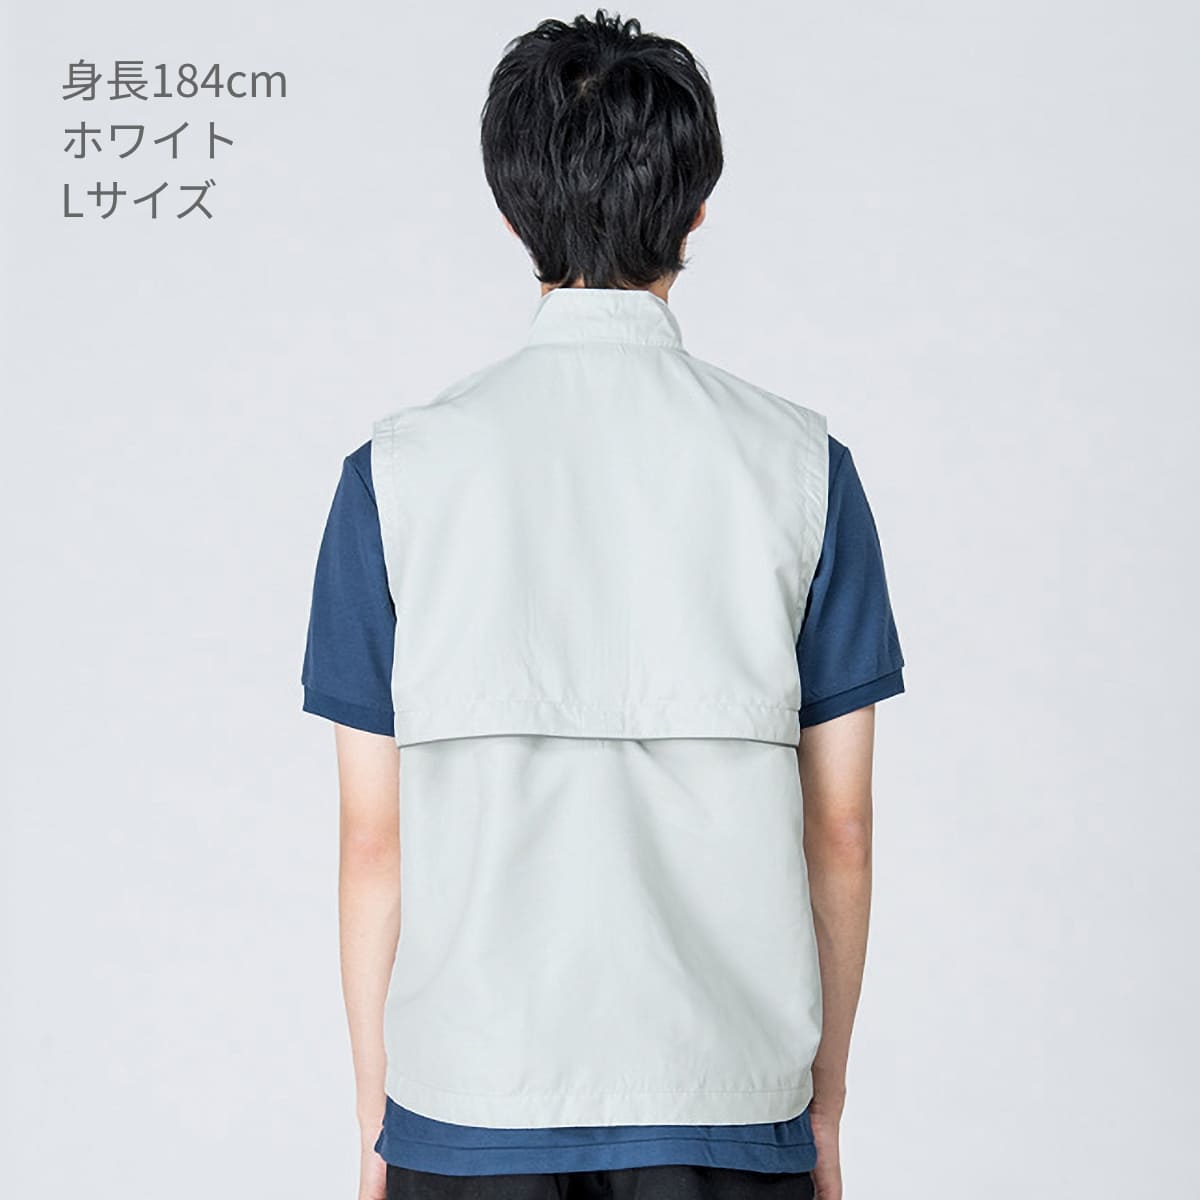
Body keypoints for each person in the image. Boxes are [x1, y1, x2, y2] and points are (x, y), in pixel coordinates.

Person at [301, 10, 906, 1200]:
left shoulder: (394, 477)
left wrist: (379, 1123)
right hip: (727, 1104)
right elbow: (839, 829)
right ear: (697, 208)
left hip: (467, 1103)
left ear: (511, 211)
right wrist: (824, 1107)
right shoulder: (804, 468)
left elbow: (374, 841)